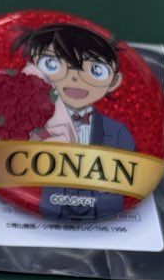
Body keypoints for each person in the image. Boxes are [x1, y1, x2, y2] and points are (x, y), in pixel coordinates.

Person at [13, 23, 135, 220]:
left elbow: (131, 181)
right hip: (36, 211)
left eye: (95, 70)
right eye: (52, 64)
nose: (75, 78)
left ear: (113, 81)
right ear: (32, 70)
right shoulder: (28, 124)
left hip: (104, 218)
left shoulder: (118, 132)